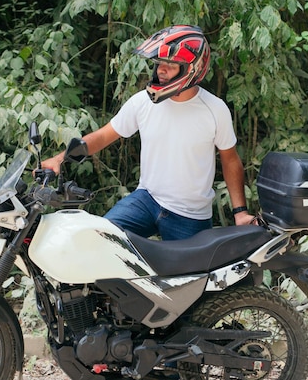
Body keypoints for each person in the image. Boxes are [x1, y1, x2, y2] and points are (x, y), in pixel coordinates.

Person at [41, 25, 255, 240]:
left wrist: (240, 213)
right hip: (147, 199)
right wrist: (61, 158)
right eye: (159, 63)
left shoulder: (214, 109)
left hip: (191, 214)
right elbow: (103, 136)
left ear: (193, 69)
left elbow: (230, 160)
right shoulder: (143, 101)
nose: (161, 70)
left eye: (170, 65)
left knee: (188, 273)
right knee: (101, 242)